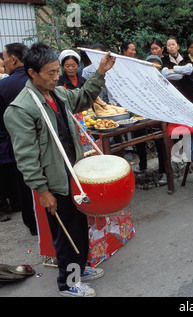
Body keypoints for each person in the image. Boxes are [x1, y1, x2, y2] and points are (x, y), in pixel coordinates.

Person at [4, 43, 115, 297]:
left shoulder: (58, 94)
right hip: (54, 180)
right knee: (66, 234)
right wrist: (42, 190)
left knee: (79, 224)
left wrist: (99, 72)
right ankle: (69, 282)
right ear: (32, 72)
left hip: (73, 174)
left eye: (57, 71)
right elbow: (26, 158)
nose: (57, 77)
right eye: (51, 73)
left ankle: (81, 267)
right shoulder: (21, 109)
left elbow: (84, 98)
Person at [0, 43, 35, 229]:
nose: (4, 62)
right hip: (44, 141)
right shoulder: (38, 79)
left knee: (25, 182)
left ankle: (32, 223)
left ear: (13, 58)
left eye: (4, 58)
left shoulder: (4, 85)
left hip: (17, 143)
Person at [133, 55, 168, 186]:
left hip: (159, 118)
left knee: (160, 144)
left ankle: (164, 171)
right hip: (142, 116)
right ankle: (142, 165)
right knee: (138, 140)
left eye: (156, 67)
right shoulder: (140, 82)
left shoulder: (164, 82)